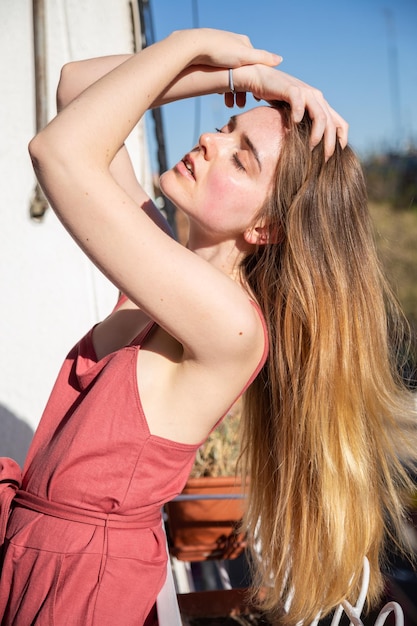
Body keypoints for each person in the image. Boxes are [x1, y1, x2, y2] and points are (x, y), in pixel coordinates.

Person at [0, 28, 415, 625]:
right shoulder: (160, 267)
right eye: (226, 128)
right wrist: (239, 78)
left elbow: (59, 151)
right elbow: (76, 87)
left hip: (80, 588)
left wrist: (197, 41)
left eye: (240, 157)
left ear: (264, 228)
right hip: (39, 557)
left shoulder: (230, 326)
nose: (209, 139)